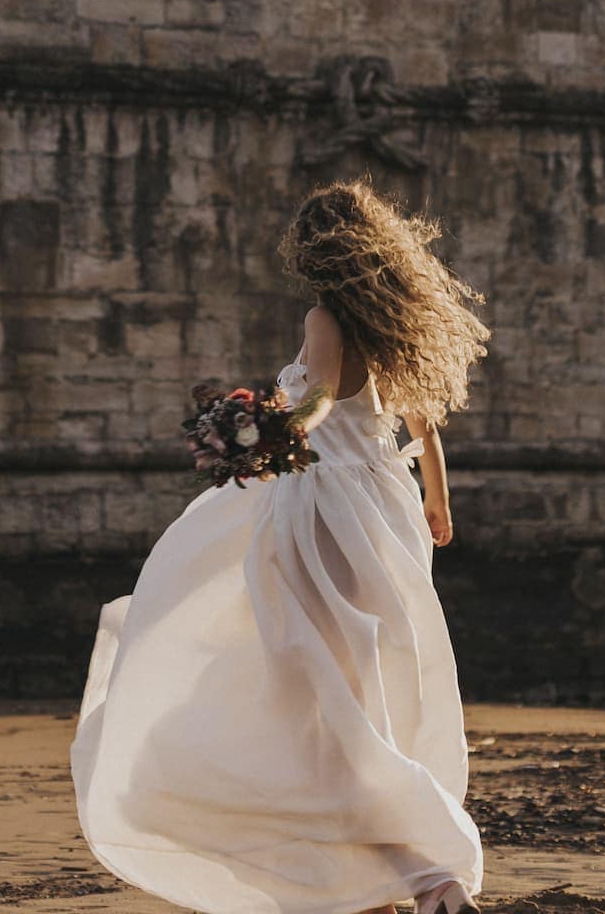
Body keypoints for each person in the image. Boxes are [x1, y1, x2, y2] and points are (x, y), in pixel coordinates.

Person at [69, 175, 491, 914]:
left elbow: (322, 394)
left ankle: (428, 880)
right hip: (381, 512)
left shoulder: (327, 315)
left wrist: (267, 432)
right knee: (345, 694)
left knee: (307, 693)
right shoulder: (392, 327)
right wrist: (435, 499)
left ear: (315, 251)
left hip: (324, 508)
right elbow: (422, 428)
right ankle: (397, 885)